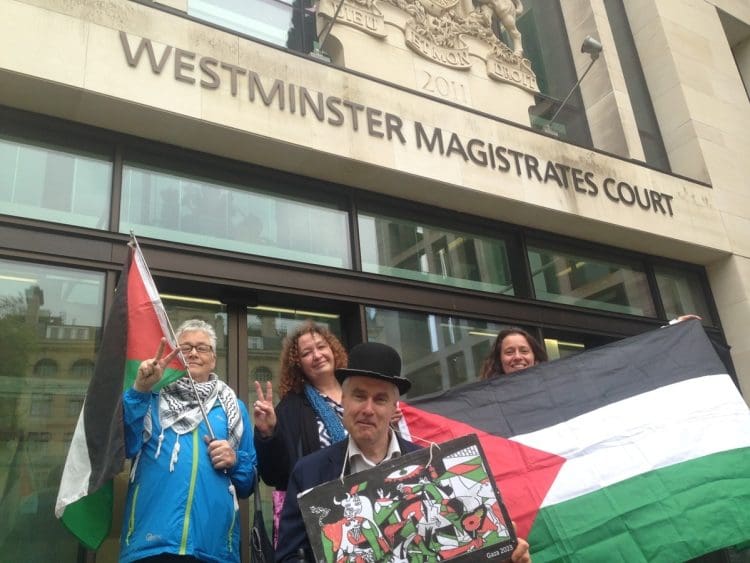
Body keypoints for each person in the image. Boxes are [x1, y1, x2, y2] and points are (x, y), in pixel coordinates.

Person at [275, 341, 532, 563]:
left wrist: (505, 556)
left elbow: (466, 545)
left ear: (394, 408)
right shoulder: (309, 472)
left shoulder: (435, 466)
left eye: (380, 399)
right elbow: (288, 556)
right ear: (343, 400)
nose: (368, 408)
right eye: (358, 396)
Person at [119, 319, 256, 563]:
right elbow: (126, 446)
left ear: (213, 359)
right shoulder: (150, 397)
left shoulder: (233, 407)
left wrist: (235, 461)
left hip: (213, 549)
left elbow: (248, 483)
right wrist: (139, 389)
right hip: (151, 545)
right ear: (174, 356)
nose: (193, 353)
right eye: (185, 348)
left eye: (202, 348)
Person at [252, 321, 349, 537]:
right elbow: (274, 475)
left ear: (333, 350)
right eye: (307, 352)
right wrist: (268, 434)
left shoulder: (360, 393)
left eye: (321, 347)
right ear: (298, 364)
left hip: (368, 503)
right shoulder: (290, 408)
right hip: (320, 520)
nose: (317, 355)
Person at [480, 327, 548, 379]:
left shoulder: (552, 388)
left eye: (524, 351)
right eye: (509, 352)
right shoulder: (485, 395)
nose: (517, 357)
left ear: (535, 356)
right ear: (499, 359)